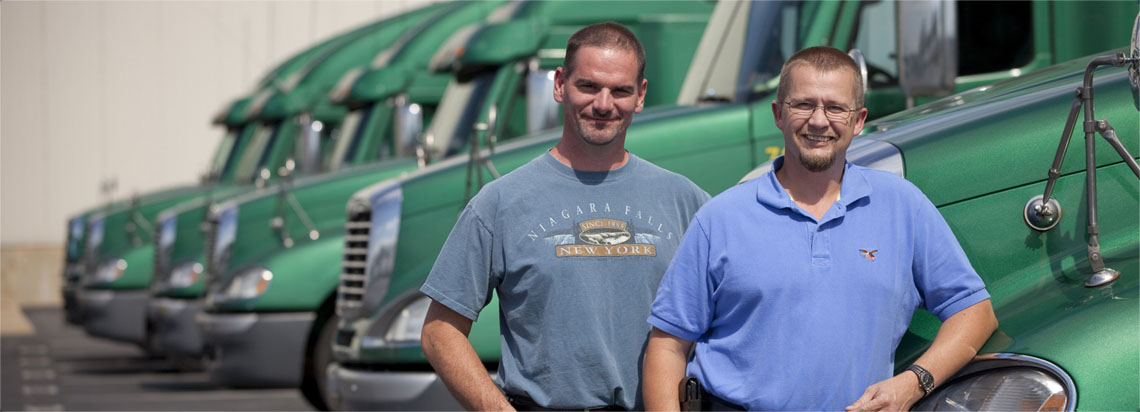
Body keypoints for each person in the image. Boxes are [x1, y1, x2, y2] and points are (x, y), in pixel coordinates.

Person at [643, 46, 998, 411]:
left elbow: (974, 313)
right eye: (803, 105)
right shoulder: (720, 218)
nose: (818, 121)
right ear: (779, 114)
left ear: (858, 120)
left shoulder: (902, 206)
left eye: (835, 108)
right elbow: (668, 346)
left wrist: (914, 383)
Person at [420, 22, 709, 411]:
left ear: (640, 96)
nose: (604, 104)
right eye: (588, 86)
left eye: (620, 90)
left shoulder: (685, 200)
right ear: (559, 84)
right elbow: (440, 331)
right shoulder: (501, 202)